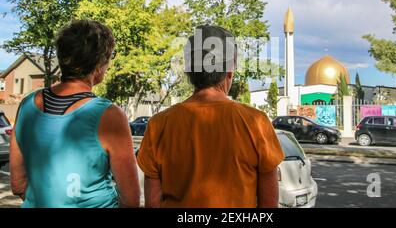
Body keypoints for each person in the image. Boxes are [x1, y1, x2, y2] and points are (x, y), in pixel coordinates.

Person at [137, 25, 284, 208]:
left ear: (189, 71)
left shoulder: (158, 125)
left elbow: (153, 203)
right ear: (229, 71)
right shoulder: (257, 123)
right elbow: (269, 205)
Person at [9, 20, 140, 208]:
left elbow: (18, 184)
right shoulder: (109, 115)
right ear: (99, 65)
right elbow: (131, 199)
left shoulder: (27, 105)